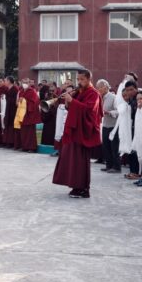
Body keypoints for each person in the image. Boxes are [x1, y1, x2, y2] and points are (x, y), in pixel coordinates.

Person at [52, 70, 103, 198]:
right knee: (71, 160)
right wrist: (69, 101)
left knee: (80, 161)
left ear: (89, 79)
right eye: (78, 79)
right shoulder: (80, 92)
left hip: (83, 132)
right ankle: (75, 186)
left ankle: (84, 188)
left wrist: (72, 101)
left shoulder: (94, 94)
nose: (79, 82)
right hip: (74, 131)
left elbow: (89, 110)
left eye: (82, 79)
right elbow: (72, 109)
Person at [96, 79, 120, 173]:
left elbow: (119, 111)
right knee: (105, 146)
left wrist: (109, 112)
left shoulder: (113, 97)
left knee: (114, 147)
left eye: (100, 87)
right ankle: (109, 165)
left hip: (113, 126)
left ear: (106, 87)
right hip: (105, 125)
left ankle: (116, 167)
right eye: (97, 88)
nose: (99, 89)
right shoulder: (99, 97)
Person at [17, 78, 41, 152]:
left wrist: (24, 101)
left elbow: (34, 102)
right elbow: (18, 102)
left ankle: (32, 147)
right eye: (23, 82)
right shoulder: (21, 92)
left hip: (29, 114)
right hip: (22, 114)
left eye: (26, 82)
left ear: (29, 83)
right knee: (23, 131)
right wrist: (19, 102)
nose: (25, 84)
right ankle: (25, 146)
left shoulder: (32, 92)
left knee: (30, 132)